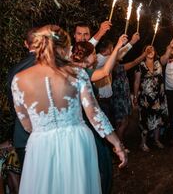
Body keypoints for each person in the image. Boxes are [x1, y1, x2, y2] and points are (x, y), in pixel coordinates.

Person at [11, 25, 127, 194]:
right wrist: (117, 144)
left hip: (41, 145)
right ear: (65, 48)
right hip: (76, 142)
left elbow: (26, 123)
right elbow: (94, 114)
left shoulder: (19, 79)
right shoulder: (77, 73)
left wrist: (43, 131)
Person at [71, 35, 128, 194]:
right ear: (86, 56)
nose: (96, 56)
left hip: (86, 123)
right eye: (93, 53)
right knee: (102, 164)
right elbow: (104, 72)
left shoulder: (78, 70)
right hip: (89, 124)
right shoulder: (80, 73)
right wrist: (117, 45)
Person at [6, 27, 38, 168]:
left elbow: (13, 105)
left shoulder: (15, 70)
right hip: (47, 134)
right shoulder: (52, 66)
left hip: (22, 135)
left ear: (26, 44)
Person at [112, 46, 152, 148]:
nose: (121, 55)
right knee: (123, 123)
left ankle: (119, 145)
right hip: (119, 99)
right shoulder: (116, 67)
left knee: (121, 123)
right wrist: (144, 54)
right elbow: (134, 62)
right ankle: (119, 146)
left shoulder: (116, 65)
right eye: (118, 54)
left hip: (122, 98)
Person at [133, 45, 168, 151]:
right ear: (144, 52)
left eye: (152, 48)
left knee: (158, 119)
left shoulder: (159, 62)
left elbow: (166, 56)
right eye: (147, 49)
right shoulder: (140, 65)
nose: (150, 50)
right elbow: (137, 82)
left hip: (159, 97)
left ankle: (156, 140)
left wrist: (169, 47)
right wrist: (135, 96)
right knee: (145, 120)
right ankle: (143, 143)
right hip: (146, 99)